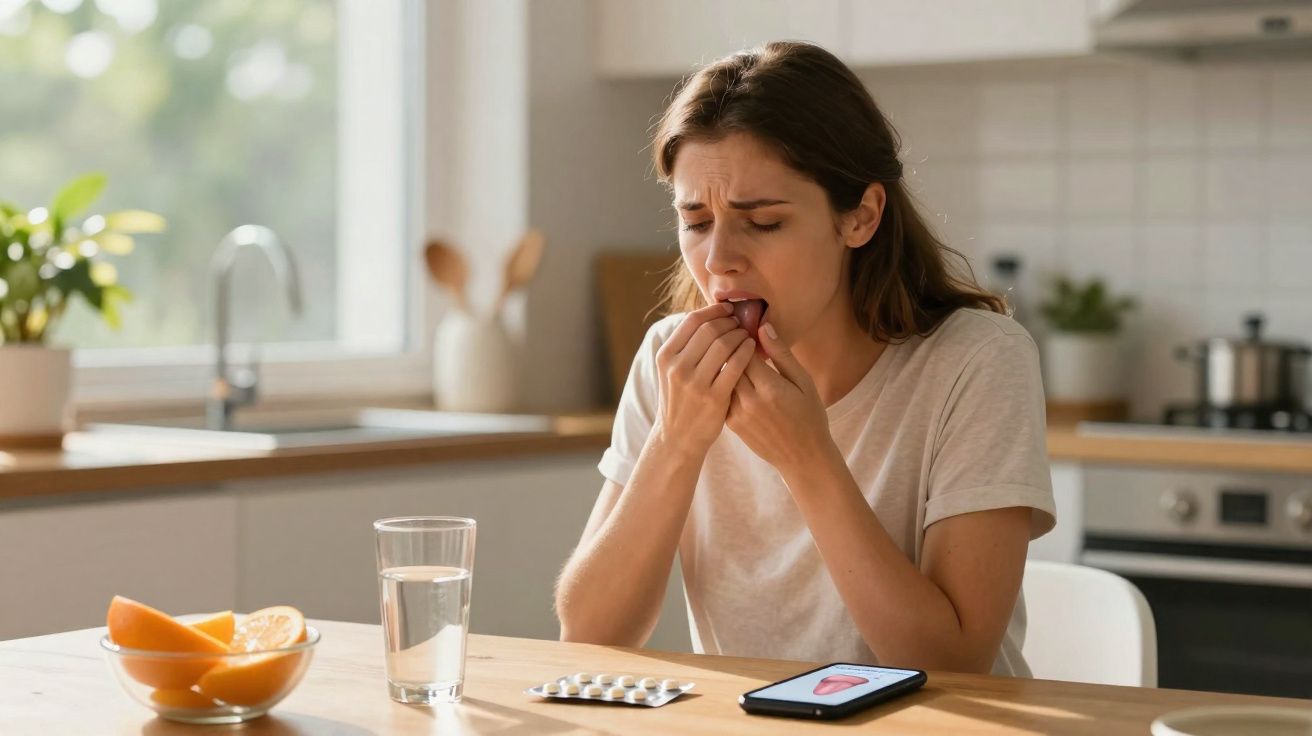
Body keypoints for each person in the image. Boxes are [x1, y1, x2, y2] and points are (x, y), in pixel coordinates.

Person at [555, 41, 1055, 676]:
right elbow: (591, 634)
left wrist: (806, 457)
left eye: (762, 222)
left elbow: (952, 663)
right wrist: (676, 443)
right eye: (696, 221)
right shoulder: (671, 359)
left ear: (861, 217)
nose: (718, 261)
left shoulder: (977, 361)